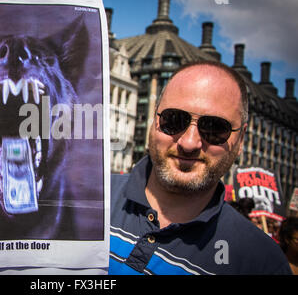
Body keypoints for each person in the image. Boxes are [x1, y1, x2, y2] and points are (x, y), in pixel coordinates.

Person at [109, 60, 292, 275]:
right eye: (174, 120)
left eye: (214, 128)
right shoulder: (79, 197)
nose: (189, 143)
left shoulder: (262, 263)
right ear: (155, 120)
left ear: (241, 139)